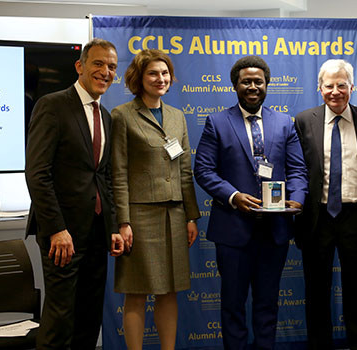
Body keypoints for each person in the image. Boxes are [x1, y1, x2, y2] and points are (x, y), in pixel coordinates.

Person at [194, 55, 308, 350]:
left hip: (275, 230)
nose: (253, 86)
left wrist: (296, 198)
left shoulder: (284, 123)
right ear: (235, 85)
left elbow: (297, 169)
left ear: (267, 84)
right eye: (246, 81)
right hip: (233, 231)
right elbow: (204, 170)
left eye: (259, 81)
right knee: (232, 304)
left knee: (268, 303)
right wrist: (233, 196)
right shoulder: (217, 122)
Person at [25, 38, 124, 350]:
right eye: (98, 64)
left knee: (88, 319)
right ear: (80, 66)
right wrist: (56, 228)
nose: (105, 71)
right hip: (62, 235)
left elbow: (103, 177)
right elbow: (38, 173)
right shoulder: (53, 105)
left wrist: (112, 226)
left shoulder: (105, 116)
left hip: (96, 233)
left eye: (111, 67)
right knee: (59, 321)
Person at [110, 49, 200, 350]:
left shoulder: (177, 116)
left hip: (174, 215)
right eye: (153, 73)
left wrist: (190, 216)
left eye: (164, 73)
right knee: (136, 293)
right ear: (139, 78)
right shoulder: (122, 115)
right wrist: (123, 221)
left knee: (169, 291)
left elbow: (184, 169)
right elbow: (118, 173)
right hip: (139, 217)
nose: (160, 79)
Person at [294, 59, 357, 350]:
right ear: (319, 89)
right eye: (329, 85)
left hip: (356, 216)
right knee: (317, 293)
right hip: (317, 218)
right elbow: (297, 169)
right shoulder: (304, 120)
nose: (335, 91)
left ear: (352, 87)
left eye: (341, 85)